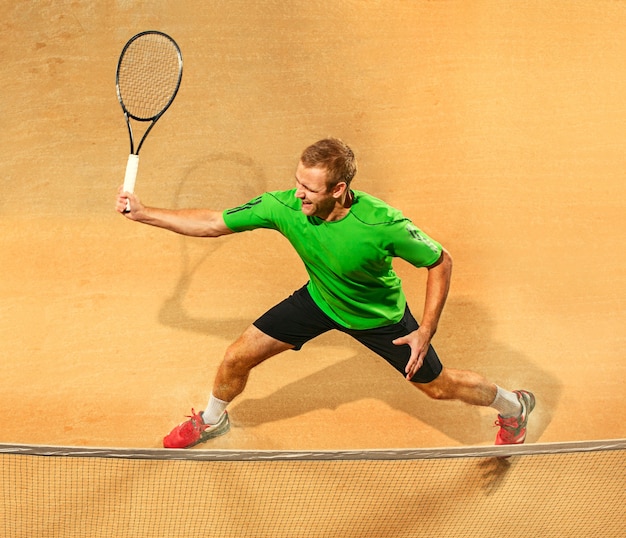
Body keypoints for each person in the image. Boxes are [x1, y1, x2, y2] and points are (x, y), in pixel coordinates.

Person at [115, 138, 535, 449]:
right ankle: (211, 419)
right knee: (236, 356)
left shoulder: (382, 224)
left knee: (439, 387)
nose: (298, 194)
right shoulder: (284, 206)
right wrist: (145, 212)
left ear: (338, 189)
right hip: (319, 301)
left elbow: (439, 260)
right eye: (297, 182)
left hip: (380, 320)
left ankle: (514, 407)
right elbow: (211, 222)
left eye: (309, 189)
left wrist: (425, 329)